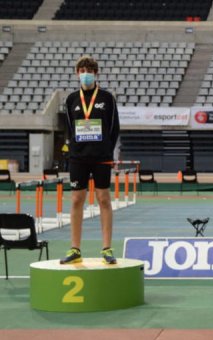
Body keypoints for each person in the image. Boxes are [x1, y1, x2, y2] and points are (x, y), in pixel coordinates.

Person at [60, 56, 120, 265]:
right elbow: (68, 128)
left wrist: (106, 151)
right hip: (78, 157)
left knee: (103, 198)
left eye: (89, 70)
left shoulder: (107, 98)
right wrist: (72, 150)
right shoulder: (71, 99)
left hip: (101, 157)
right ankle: (75, 248)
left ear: (95, 73)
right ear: (77, 73)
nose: (85, 74)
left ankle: (107, 248)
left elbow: (114, 128)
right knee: (77, 199)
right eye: (81, 70)